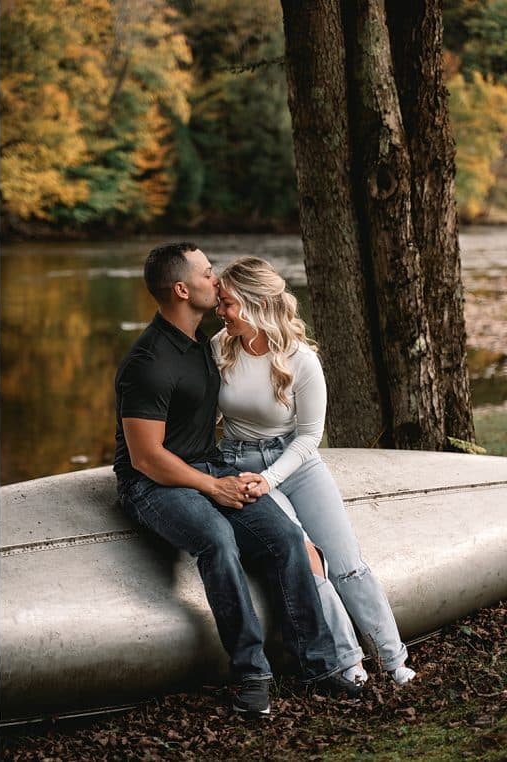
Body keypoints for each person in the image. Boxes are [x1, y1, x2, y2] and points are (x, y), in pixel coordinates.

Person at [114, 241, 363, 716]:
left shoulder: (205, 342)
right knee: (217, 539)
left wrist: (232, 476)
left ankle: (321, 665)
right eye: (209, 274)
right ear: (183, 289)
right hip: (152, 485)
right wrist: (214, 487)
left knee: (289, 538)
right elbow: (145, 458)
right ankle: (252, 672)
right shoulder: (147, 363)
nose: (218, 280)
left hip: (211, 466)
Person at [213, 255, 416, 685]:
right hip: (241, 466)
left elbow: (309, 437)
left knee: (347, 563)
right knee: (309, 561)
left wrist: (271, 478)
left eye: (227, 303)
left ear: (252, 303)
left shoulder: (301, 360)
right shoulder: (218, 349)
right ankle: (350, 665)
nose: (221, 311)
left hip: (297, 463)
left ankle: (395, 661)